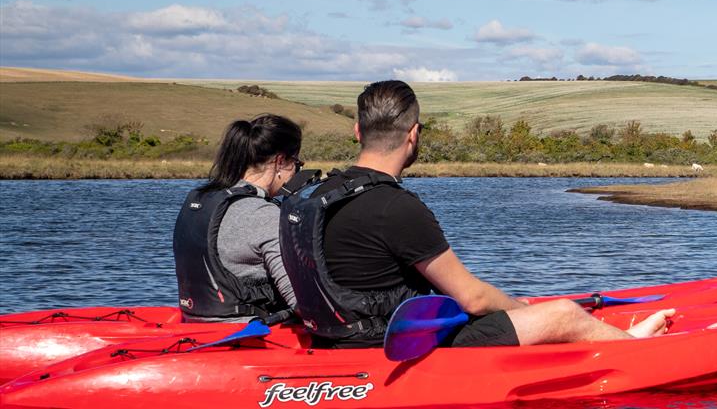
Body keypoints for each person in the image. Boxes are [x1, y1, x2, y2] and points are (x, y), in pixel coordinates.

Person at [280, 80, 673, 349]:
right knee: (565, 314)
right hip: (396, 344)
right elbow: (473, 299)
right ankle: (634, 345)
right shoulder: (396, 206)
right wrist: (532, 315)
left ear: (357, 131)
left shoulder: (318, 193)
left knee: (521, 308)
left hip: (340, 335)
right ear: (414, 134)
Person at [174, 114, 306, 323]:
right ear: (280, 162)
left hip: (194, 320)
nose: (297, 172)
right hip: (245, 334)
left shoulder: (199, 199)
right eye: (297, 164)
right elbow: (300, 303)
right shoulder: (264, 214)